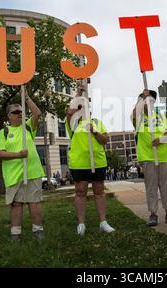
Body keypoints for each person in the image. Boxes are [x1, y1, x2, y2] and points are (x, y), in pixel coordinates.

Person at [0, 89, 46, 241]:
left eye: (21, 111)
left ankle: (38, 231)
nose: (19, 113)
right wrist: (18, 155)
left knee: (34, 202)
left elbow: (37, 114)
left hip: (32, 171)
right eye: (15, 112)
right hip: (13, 174)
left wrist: (27, 97)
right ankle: (15, 233)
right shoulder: (4, 132)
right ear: (8, 116)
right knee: (16, 204)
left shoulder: (29, 127)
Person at [66, 84, 115, 236]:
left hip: (98, 162)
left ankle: (103, 222)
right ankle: (81, 224)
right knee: (80, 192)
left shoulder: (97, 123)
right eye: (79, 107)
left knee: (99, 191)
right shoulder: (73, 124)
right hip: (80, 163)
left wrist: (93, 131)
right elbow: (69, 112)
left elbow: (105, 140)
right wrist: (78, 93)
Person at [131, 89, 167, 227]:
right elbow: (133, 117)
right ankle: (153, 213)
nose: (147, 102)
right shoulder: (139, 118)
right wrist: (141, 98)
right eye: (144, 100)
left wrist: (160, 139)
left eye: (149, 100)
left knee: (165, 186)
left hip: (164, 156)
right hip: (148, 157)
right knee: (151, 187)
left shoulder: (160, 116)